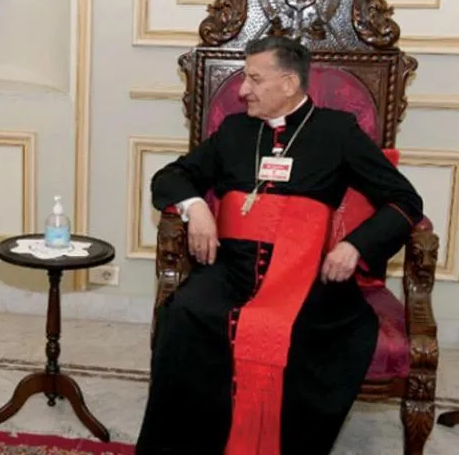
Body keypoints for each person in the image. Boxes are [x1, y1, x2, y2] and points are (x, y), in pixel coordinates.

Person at [135, 36, 423, 454]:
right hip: (232, 268)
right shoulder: (234, 131)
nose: (242, 90)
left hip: (307, 274)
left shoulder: (337, 131)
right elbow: (170, 177)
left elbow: (404, 200)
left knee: (313, 336)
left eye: (254, 79)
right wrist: (195, 207)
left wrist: (355, 246)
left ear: (288, 84)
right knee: (183, 314)